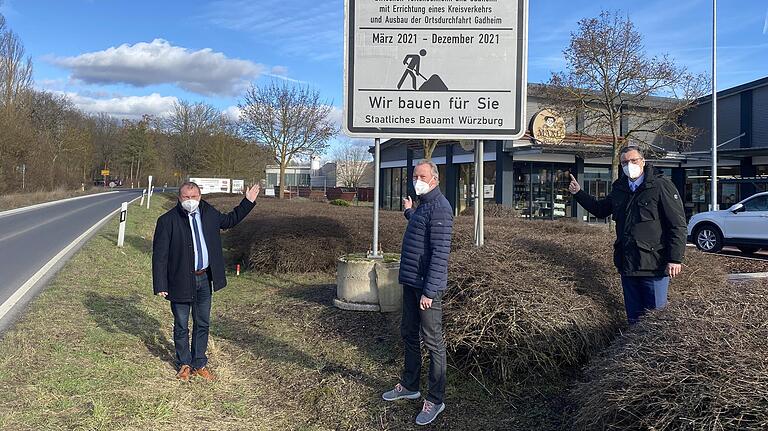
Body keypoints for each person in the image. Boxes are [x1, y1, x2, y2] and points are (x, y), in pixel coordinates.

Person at [152, 181, 260, 381]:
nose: (190, 201)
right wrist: (160, 284)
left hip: (204, 278)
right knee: (182, 324)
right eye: (186, 197)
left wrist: (248, 202)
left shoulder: (208, 213)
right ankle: (184, 363)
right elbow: (160, 256)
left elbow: (229, 220)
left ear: (200, 197)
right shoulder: (167, 221)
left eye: (194, 197)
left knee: (202, 322)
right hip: (180, 280)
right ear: (179, 197)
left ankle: (199, 363)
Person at [568, 146, 687, 324]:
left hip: (653, 265)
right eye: (625, 162)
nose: (629, 165)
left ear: (643, 162)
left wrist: (675, 259)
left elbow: (677, 225)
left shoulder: (661, 185)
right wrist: (579, 193)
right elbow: (601, 210)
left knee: (655, 320)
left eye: (633, 161)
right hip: (628, 264)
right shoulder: (620, 188)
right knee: (634, 320)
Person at [382, 160, 453, 426]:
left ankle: (435, 399)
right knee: (408, 333)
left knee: (433, 343)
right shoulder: (424, 206)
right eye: (414, 176)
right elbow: (421, 230)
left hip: (426, 289)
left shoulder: (441, 208)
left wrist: (430, 291)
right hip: (411, 283)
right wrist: (409, 212)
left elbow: (439, 254)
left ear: (435, 178)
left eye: (422, 176)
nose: (417, 180)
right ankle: (410, 385)